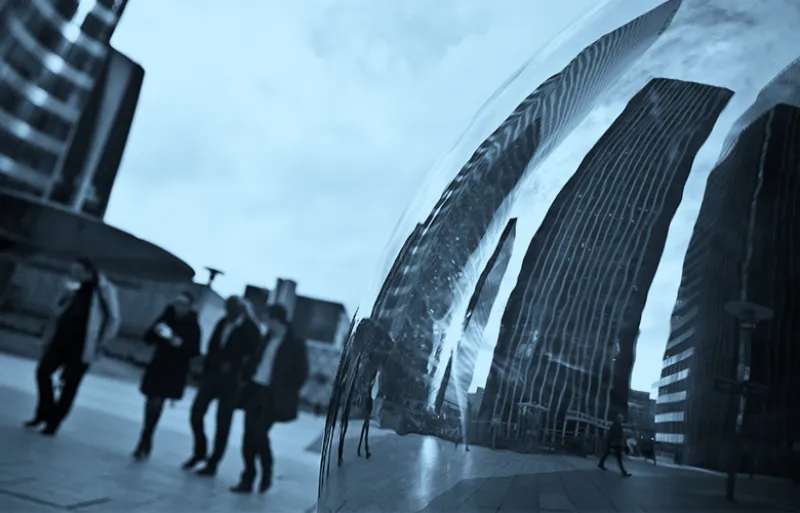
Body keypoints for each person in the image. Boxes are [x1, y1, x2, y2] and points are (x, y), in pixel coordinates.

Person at [24, 258, 121, 436]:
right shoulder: (71, 286)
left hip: (83, 343)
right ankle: (44, 411)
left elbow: (113, 318)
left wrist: (101, 341)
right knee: (43, 371)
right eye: (73, 271)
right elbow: (56, 310)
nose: (74, 275)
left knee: (70, 384)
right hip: (61, 338)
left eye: (78, 272)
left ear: (89, 272)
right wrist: (65, 297)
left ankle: (54, 422)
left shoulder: (104, 289)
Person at [231, 304, 308, 494]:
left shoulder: (295, 343)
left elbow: (301, 373)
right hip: (255, 390)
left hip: (273, 396)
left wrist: (285, 391)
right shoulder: (266, 339)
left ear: (276, 320)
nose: (265, 323)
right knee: (248, 436)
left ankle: (266, 472)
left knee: (259, 434)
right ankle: (248, 477)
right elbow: (255, 361)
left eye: (267, 319)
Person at [183, 296, 261, 477]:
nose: (229, 314)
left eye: (232, 310)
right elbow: (213, 345)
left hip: (232, 381)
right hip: (212, 375)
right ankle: (199, 451)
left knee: (223, 422)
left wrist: (238, 370)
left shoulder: (251, 329)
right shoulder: (223, 322)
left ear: (240, 310)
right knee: (196, 413)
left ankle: (213, 461)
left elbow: (253, 356)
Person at [133, 292, 202, 460]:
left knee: (156, 402)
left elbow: (194, 349)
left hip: (174, 369)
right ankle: (146, 437)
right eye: (177, 302)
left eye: (183, 304)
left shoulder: (192, 325)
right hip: (158, 364)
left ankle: (145, 439)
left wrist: (178, 343)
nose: (179, 307)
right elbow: (147, 338)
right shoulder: (166, 318)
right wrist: (157, 332)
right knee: (150, 401)